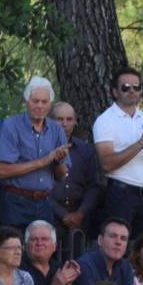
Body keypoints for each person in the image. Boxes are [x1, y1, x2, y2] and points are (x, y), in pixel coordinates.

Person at [94, 67, 143, 239]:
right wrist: (142, 142)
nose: (132, 91)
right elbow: (106, 163)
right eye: (126, 87)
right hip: (120, 193)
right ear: (115, 92)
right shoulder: (105, 121)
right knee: (118, 247)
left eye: (136, 87)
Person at [0, 77, 69, 231]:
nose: (39, 106)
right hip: (15, 201)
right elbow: (2, 171)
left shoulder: (56, 130)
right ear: (26, 101)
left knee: (43, 251)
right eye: (35, 101)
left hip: (45, 201)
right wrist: (42, 162)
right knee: (14, 250)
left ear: (50, 104)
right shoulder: (12, 125)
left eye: (44, 102)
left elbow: (62, 176)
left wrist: (58, 162)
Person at [50, 100, 104, 239]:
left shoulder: (85, 150)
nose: (64, 124)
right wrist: (62, 214)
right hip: (50, 214)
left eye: (69, 119)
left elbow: (93, 186)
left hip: (81, 216)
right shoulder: (42, 150)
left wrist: (81, 213)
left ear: (75, 122)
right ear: (49, 121)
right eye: (59, 119)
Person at [24, 219, 82, 285]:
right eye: (34, 239)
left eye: (45, 239)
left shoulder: (59, 268)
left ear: (54, 246)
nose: (39, 243)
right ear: (26, 246)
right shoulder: (18, 270)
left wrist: (68, 284)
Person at [76, 217, 137, 285]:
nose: (118, 242)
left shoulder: (126, 266)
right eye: (113, 236)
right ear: (100, 240)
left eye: (123, 238)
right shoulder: (84, 264)